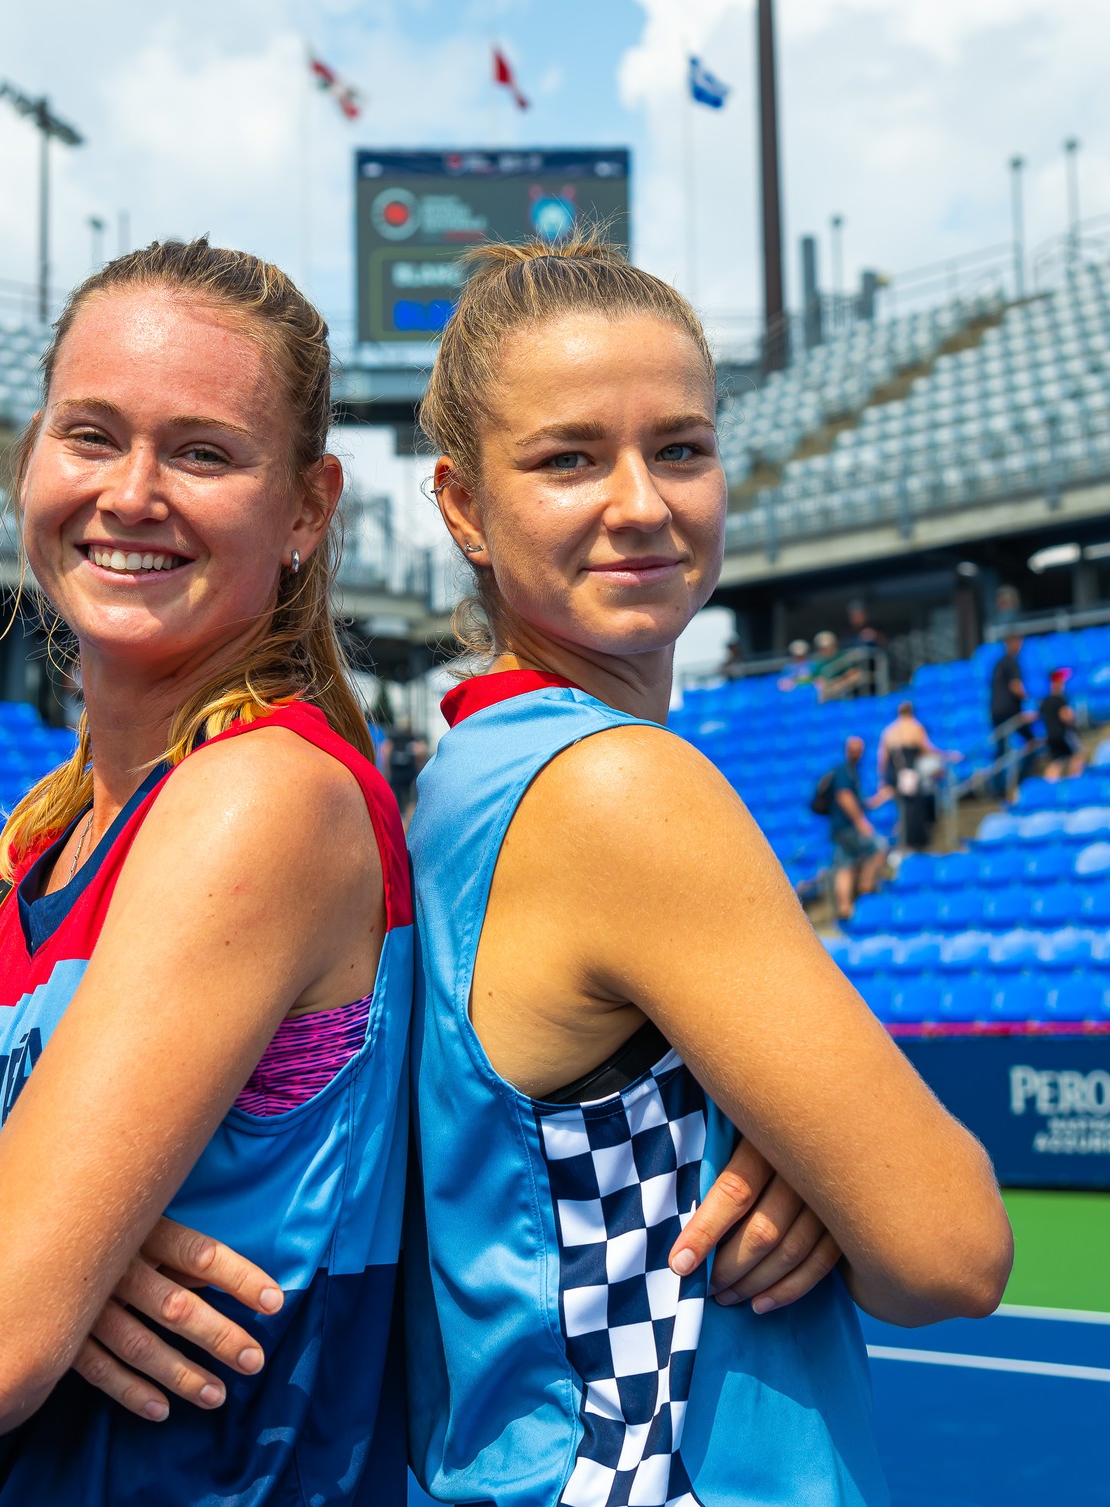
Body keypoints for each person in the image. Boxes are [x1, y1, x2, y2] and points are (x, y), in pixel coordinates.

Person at [0, 239, 420, 1502]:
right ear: (32, 455)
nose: (132, 494)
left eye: (202, 451)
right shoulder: (36, 843)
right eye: (91, 435)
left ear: (305, 509)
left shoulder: (263, 797)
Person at [407, 232, 1012, 1507]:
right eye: (569, 458)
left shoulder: (461, 774)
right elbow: (949, 1249)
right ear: (462, 505)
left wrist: (801, 1157)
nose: (642, 501)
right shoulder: (622, 787)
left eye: (679, 446)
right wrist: (839, 1181)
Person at [826, 734, 890, 918]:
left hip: (840, 828)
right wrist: (860, 822)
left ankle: (844, 907)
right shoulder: (844, 772)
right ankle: (866, 888)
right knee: (879, 847)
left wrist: (879, 799)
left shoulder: (852, 772)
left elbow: (859, 802)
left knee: (845, 864)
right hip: (847, 827)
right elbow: (844, 798)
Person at [877, 701, 953, 852]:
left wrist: (883, 781)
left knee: (904, 806)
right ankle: (913, 841)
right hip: (909, 771)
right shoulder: (914, 726)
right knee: (913, 807)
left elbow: (882, 759)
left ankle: (907, 839)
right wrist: (947, 755)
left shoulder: (889, 730)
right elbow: (927, 748)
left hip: (896, 772)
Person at [988, 633, 1038, 800]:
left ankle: (999, 788)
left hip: (996, 711)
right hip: (1010, 711)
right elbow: (1016, 687)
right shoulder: (1011, 661)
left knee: (1001, 750)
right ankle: (1022, 779)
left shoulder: (998, 664)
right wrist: (1031, 700)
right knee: (1032, 741)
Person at [1036, 667, 1084, 780]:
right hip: (1063, 734)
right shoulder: (1060, 699)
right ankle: (1075, 781)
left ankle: (1049, 785)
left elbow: (1040, 716)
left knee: (1056, 762)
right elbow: (1065, 716)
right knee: (1077, 755)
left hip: (1050, 736)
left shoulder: (1045, 701)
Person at [811, 627, 862, 700]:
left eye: (828, 646)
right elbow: (818, 682)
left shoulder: (841, 658)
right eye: (823, 648)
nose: (826, 650)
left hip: (847, 696)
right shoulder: (817, 664)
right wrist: (831, 686)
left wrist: (840, 683)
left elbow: (855, 675)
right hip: (827, 698)